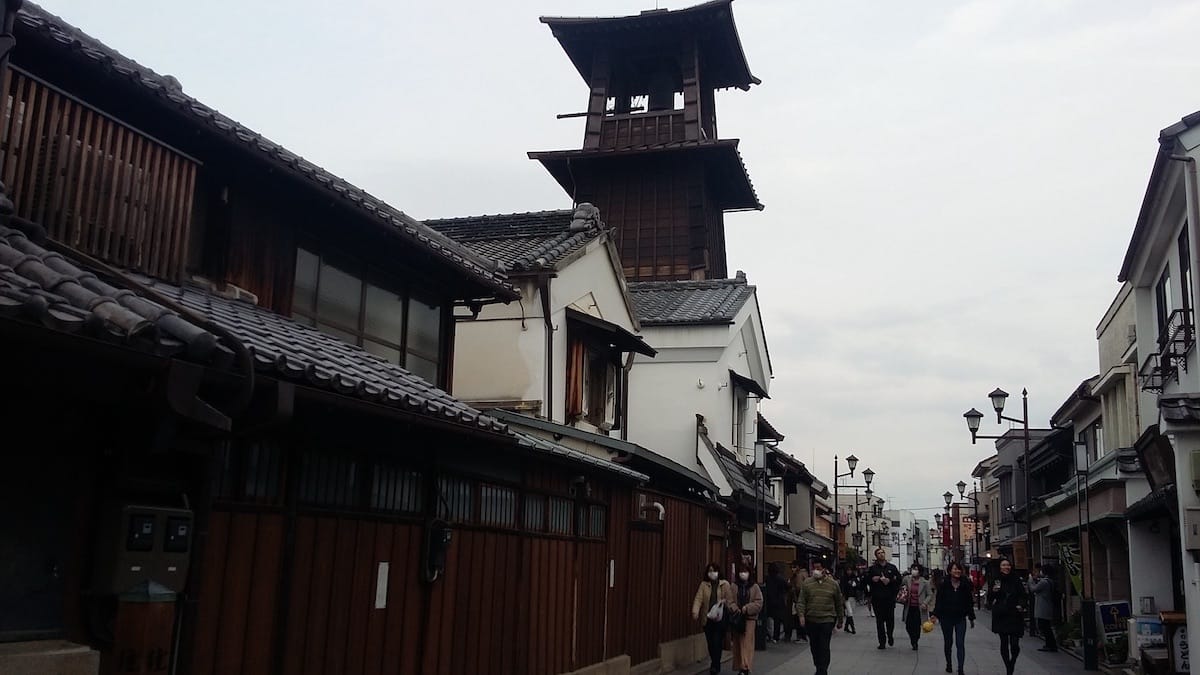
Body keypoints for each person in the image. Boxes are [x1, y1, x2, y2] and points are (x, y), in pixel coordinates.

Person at [796, 559, 844, 675]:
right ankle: (818, 665)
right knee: (814, 645)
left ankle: (823, 669)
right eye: (814, 568)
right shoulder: (807, 583)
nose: (816, 571)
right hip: (811, 619)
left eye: (818, 568)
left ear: (824, 570)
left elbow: (838, 602)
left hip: (827, 619)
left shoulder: (833, 584)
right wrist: (801, 615)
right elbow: (801, 601)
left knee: (824, 645)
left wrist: (840, 620)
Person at [930, 561, 975, 674]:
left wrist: (971, 617)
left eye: (959, 569)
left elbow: (969, 602)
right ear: (949, 571)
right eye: (954, 569)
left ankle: (960, 668)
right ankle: (949, 663)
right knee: (948, 642)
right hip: (946, 617)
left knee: (960, 643)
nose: (957, 571)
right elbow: (939, 601)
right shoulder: (944, 584)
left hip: (960, 618)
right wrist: (935, 614)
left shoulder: (965, 584)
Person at [988, 557, 1027, 675]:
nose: (1006, 567)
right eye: (1003, 565)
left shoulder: (1016, 579)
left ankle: (1013, 661)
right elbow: (990, 599)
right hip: (1001, 614)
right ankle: (1008, 668)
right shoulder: (996, 580)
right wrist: (993, 591)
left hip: (1014, 613)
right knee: (1004, 642)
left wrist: (1021, 605)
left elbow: (1023, 595)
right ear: (1000, 568)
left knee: (1015, 644)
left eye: (1008, 565)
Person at [692, 563, 732, 675]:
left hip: (720, 619)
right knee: (710, 643)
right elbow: (698, 599)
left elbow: (730, 599)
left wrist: (728, 605)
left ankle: (715, 665)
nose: (712, 573)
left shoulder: (725, 584)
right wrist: (695, 612)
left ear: (718, 572)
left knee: (717, 641)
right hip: (708, 618)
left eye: (714, 570)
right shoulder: (704, 585)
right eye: (710, 570)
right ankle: (715, 661)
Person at [729, 562, 763, 675]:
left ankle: (746, 666)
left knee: (747, 642)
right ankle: (740, 665)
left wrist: (747, 608)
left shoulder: (755, 587)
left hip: (749, 618)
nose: (743, 574)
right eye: (741, 572)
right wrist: (735, 608)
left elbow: (759, 602)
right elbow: (730, 600)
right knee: (738, 643)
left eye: (745, 571)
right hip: (737, 618)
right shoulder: (734, 586)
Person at [866, 548, 902, 648]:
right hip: (877, 599)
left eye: (882, 553)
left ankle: (890, 635)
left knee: (890, 620)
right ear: (876, 556)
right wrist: (873, 579)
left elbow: (899, 580)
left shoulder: (892, 567)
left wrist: (889, 581)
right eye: (879, 553)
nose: (881, 554)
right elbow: (866, 581)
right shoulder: (873, 569)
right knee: (879, 621)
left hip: (889, 598)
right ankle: (882, 642)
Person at [900, 564, 933, 650]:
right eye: (913, 569)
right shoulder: (907, 579)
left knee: (917, 625)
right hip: (909, 606)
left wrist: (925, 603)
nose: (914, 571)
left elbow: (930, 594)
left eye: (916, 569)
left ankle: (915, 641)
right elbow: (902, 587)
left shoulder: (925, 582)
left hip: (920, 607)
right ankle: (912, 639)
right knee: (908, 625)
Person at [1028, 564, 1058, 652]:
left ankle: (1051, 645)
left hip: (1042, 607)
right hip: (1047, 606)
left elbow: (1033, 589)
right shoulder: (1050, 581)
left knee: (1044, 627)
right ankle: (1050, 644)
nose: (1040, 572)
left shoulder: (1044, 582)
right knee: (1046, 626)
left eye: (1041, 570)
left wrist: (1030, 580)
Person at [763, 562, 790, 643]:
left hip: (769, 600)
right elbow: (787, 587)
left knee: (767, 618)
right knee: (777, 620)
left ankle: (767, 635)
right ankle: (776, 637)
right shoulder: (781, 579)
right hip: (779, 601)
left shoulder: (767, 578)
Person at [787, 562, 809, 643]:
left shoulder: (799, 575)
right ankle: (802, 636)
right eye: (791, 567)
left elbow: (798, 588)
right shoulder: (803, 574)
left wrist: (792, 588)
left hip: (799, 600)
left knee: (798, 618)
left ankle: (801, 636)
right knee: (800, 618)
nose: (792, 569)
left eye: (794, 567)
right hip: (801, 600)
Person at [839, 568, 859, 634]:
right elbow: (842, 587)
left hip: (853, 597)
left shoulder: (854, 577)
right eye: (848, 570)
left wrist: (855, 583)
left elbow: (858, 585)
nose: (849, 571)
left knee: (850, 613)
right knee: (850, 612)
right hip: (846, 597)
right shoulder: (843, 578)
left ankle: (846, 627)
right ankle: (853, 628)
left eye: (850, 570)